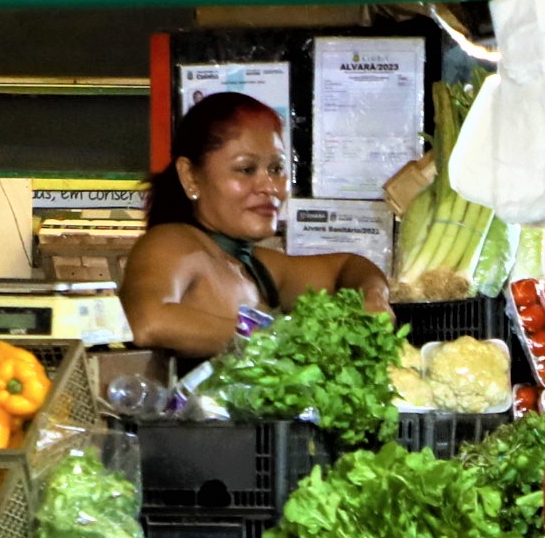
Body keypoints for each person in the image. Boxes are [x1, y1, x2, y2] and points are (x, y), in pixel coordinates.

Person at [117, 91, 396, 359]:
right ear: (190, 177)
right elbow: (146, 322)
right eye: (246, 169)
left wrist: (374, 296)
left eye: (276, 169)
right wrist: (285, 338)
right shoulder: (171, 243)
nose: (269, 187)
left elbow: (347, 266)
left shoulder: (255, 266)